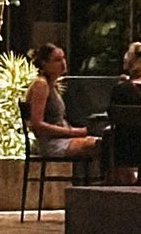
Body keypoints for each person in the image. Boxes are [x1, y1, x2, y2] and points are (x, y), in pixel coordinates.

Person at [23, 43, 102, 171]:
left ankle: (119, 181)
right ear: (44, 64)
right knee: (100, 145)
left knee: (107, 143)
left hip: (61, 138)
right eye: (57, 60)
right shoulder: (41, 85)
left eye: (63, 58)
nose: (63, 63)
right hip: (50, 143)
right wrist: (72, 132)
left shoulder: (53, 85)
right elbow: (37, 124)